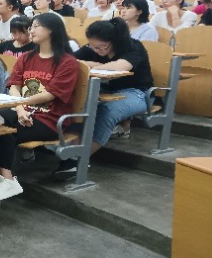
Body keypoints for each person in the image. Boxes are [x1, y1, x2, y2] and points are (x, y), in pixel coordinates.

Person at [0, 13, 79, 209]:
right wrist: (20, 108)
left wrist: (21, 104)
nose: (31, 30)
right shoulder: (26, 57)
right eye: (31, 26)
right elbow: (13, 85)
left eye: (36, 26)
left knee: (0, 131)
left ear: (52, 30)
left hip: (49, 120)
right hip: (22, 112)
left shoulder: (67, 62)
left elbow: (50, 94)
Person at [60, 18, 154, 173]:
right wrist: (92, 63)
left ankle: (78, 158)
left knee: (107, 110)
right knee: (77, 103)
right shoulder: (93, 48)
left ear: (113, 41)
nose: (96, 50)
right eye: (92, 46)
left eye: (101, 47)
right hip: (104, 89)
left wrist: (91, 65)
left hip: (138, 92)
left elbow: (120, 67)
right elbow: (69, 60)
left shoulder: (133, 47)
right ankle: (72, 145)